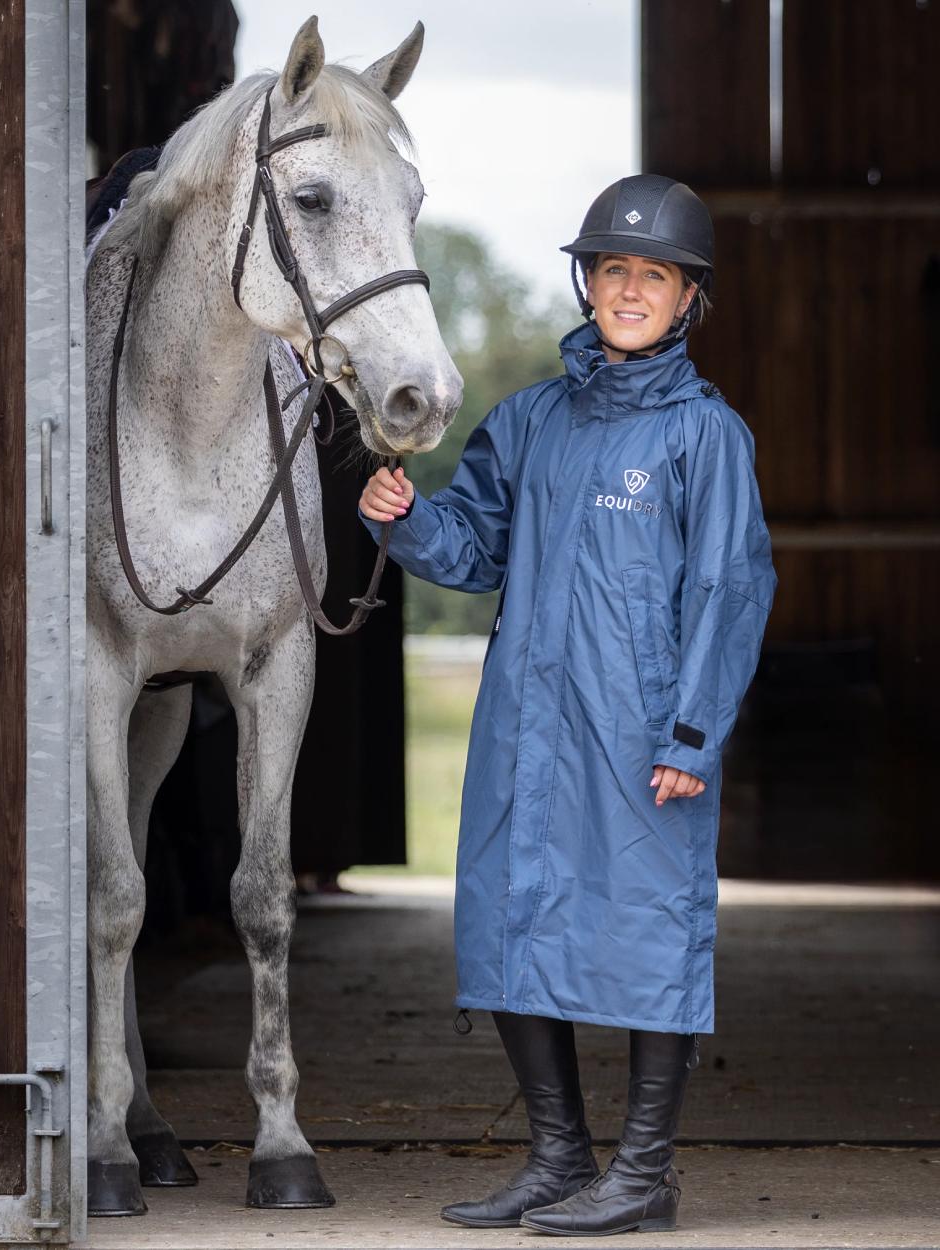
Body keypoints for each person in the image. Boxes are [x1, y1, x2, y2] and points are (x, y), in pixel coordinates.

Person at [358, 175, 776, 1236]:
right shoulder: (530, 420)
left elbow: (728, 590)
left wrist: (692, 732)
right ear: (587, 282)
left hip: (642, 736)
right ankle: (557, 1159)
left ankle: (645, 1175)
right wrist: (403, 518)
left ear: (689, 298)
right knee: (507, 916)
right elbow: (473, 547)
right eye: (612, 269)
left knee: (647, 933)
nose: (630, 290)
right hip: (524, 724)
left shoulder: (704, 436)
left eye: (655, 276)